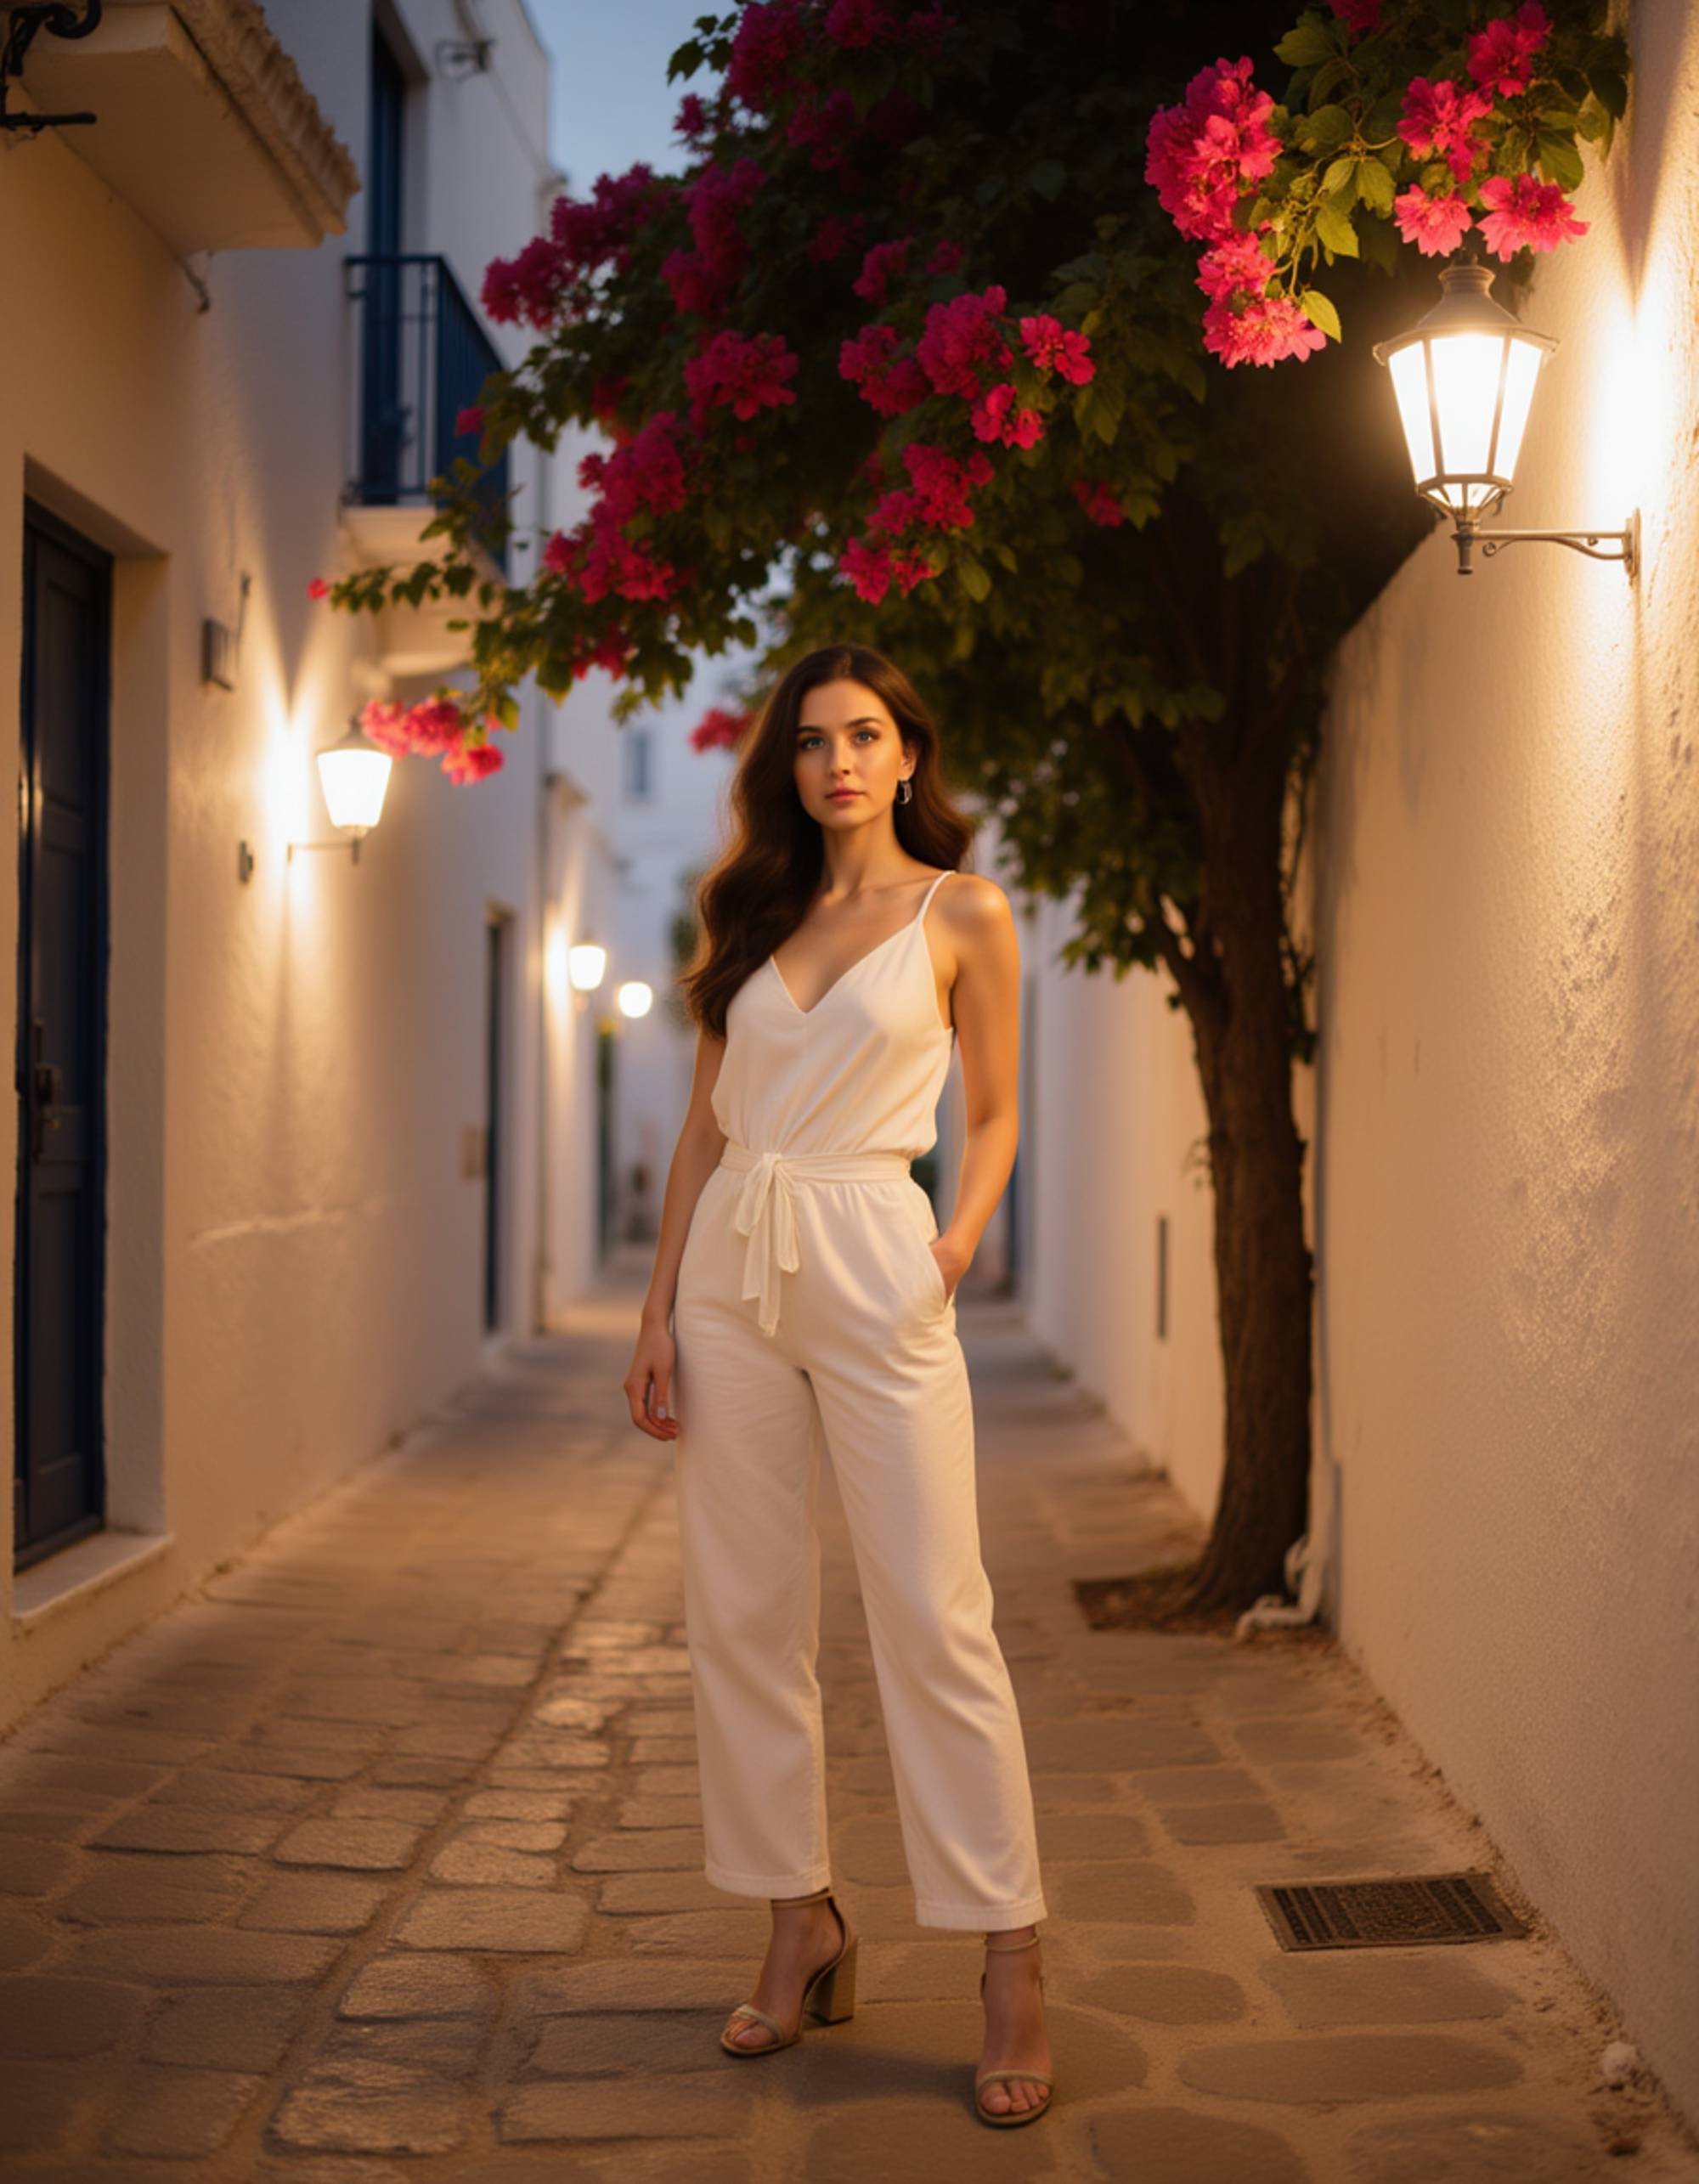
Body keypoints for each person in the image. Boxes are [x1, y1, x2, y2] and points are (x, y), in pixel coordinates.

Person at [623, 641, 1053, 2127]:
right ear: (787, 767)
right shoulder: (739, 909)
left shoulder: (961, 913)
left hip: (877, 1248)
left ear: (909, 753)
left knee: (933, 1608)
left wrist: (953, 1244)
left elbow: (991, 1109)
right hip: (737, 1256)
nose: (840, 763)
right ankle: (798, 1916)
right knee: (743, 1612)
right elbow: (699, 1126)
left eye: (865, 735)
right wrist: (661, 1305)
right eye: (812, 742)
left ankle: (1010, 1951)